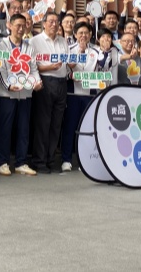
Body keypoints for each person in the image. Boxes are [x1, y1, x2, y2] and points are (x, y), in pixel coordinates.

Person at [0, 13, 41, 176]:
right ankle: (3, 162)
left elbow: (34, 68)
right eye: (18, 25)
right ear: (9, 25)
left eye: (24, 25)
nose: (21, 29)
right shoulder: (2, 44)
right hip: (7, 94)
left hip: (26, 94)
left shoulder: (29, 47)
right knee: (5, 129)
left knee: (24, 129)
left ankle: (21, 162)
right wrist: (8, 85)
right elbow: (0, 69)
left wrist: (37, 82)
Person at [29, 11, 70, 173]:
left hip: (61, 83)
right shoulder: (34, 41)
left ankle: (50, 159)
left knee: (56, 124)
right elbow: (31, 65)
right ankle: (39, 161)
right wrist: (48, 67)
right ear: (43, 23)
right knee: (43, 123)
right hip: (45, 82)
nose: (54, 24)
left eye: (57, 22)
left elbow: (66, 63)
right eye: (51, 21)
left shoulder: (63, 41)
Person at [62, 22, 99, 171]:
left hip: (89, 94)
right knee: (70, 126)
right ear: (75, 35)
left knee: (85, 128)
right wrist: (71, 75)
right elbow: (63, 70)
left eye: (86, 33)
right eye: (81, 33)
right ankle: (66, 159)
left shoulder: (97, 52)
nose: (84, 36)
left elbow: (100, 71)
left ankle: (83, 160)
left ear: (90, 35)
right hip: (72, 93)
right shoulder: (68, 50)